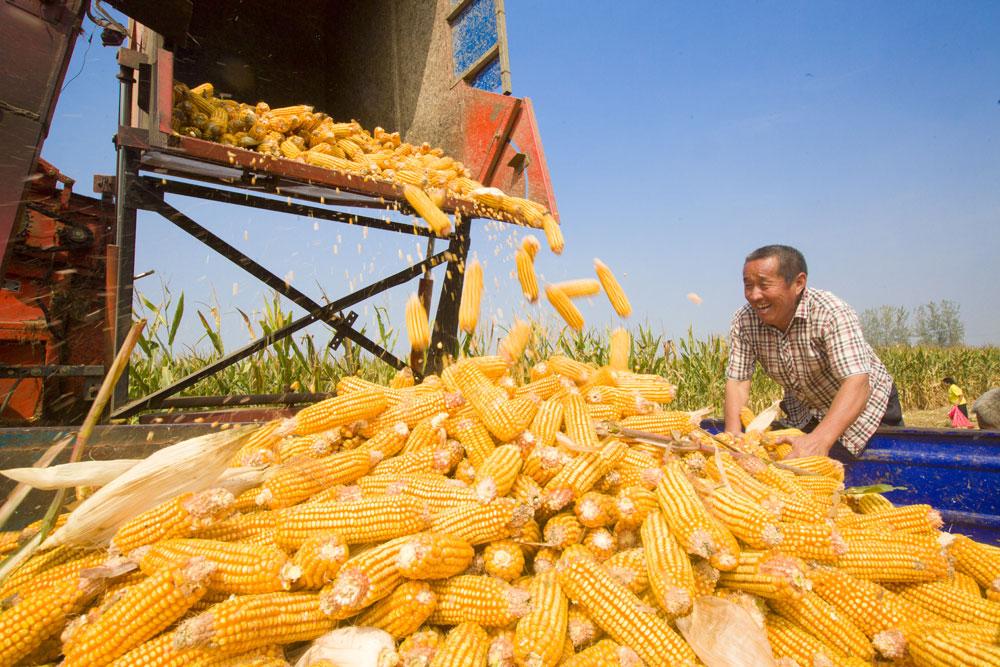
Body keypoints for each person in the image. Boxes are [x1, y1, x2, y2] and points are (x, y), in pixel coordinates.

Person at [724, 245, 902, 459]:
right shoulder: (744, 320)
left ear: (798, 283)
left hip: (865, 407)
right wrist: (732, 438)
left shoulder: (831, 312)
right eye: (748, 285)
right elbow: (738, 381)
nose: (754, 295)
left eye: (764, 285)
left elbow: (856, 381)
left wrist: (819, 440)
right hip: (806, 409)